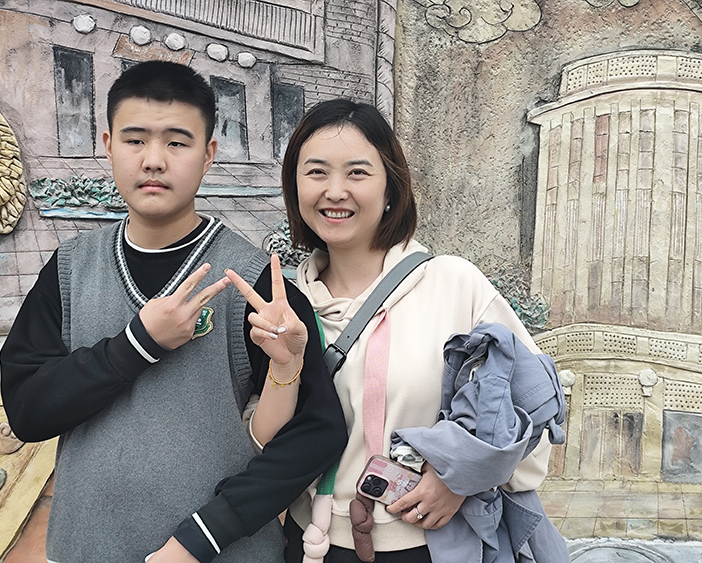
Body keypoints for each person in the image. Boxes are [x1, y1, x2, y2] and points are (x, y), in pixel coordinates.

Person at [0, 61, 347, 563]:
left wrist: (203, 536)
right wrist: (137, 344)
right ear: (108, 145)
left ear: (208, 155)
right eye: (135, 140)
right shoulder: (71, 268)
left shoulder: (254, 284)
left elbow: (318, 431)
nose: (154, 160)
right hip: (83, 549)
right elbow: (28, 411)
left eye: (177, 143)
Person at [238, 99, 559, 562]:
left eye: (357, 172)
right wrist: (282, 370)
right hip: (310, 547)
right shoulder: (285, 304)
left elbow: (537, 407)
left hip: (434, 546)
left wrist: (459, 479)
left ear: (391, 187)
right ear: (295, 187)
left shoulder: (453, 284)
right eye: (316, 172)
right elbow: (265, 445)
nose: (335, 191)